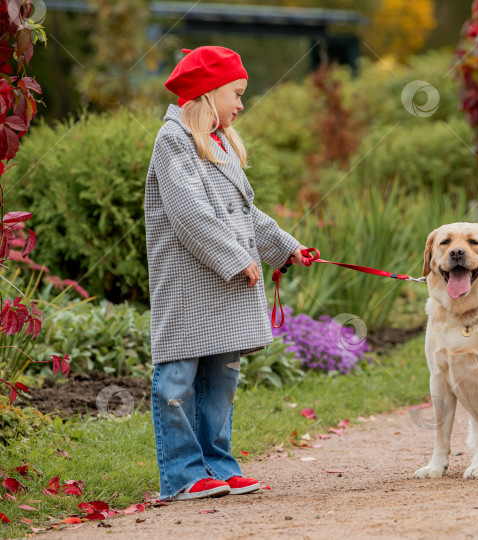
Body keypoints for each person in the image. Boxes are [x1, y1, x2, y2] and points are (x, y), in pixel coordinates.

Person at [144, 46, 307, 501]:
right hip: (189, 285)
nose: (240, 104)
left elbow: (245, 214)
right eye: (235, 93)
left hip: (223, 288)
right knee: (178, 378)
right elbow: (190, 214)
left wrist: (285, 249)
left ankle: (217, 464)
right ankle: (182, 475)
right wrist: (236, 259)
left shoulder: (218, 143)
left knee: (222, 378)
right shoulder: (174, 141)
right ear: (208, 92)